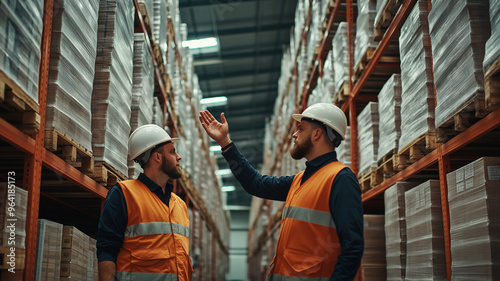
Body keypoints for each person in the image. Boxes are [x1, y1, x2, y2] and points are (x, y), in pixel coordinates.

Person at [199, 103, 364, 280]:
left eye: (300, 129)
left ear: (317, 134)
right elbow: (255, 183)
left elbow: (352, 246)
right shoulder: (299, 180)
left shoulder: (340, 179)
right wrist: (225, 142)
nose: (294, 134)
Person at [96, 124, 193, 281]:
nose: (178, 157)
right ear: (157, 157)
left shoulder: (180, 205)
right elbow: (107, 248)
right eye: (172, 151)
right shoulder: (124, 194)